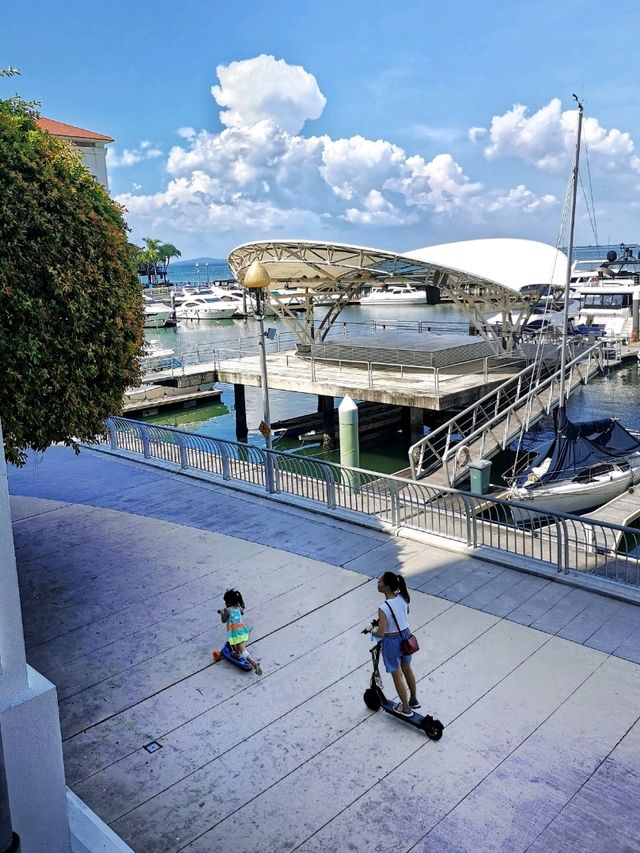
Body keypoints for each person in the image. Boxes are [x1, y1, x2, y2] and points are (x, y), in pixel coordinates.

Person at [370, 571, 419, 716]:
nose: (378, 583)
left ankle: (405, 708)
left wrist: (372, 634)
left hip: (392, 641)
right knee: (407, 669)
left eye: (380, 581)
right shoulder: (403, 598)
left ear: (386, 587)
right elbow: (404, 614)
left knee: (397, 675)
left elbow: (381, 633)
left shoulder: (384, 607)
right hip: (406, 637)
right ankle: (414, 700)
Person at [218, 588, 262, 675]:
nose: (225, 604)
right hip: (242, 630)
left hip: (235, 633)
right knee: (238, 645)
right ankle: (236, 654)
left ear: (230, 602)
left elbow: (223, 620)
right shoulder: (238, 607)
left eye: (226, 602)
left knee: (243, 649)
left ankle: (254, 664)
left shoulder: (227, 610)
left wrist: (222, 614)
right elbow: (241, 613)